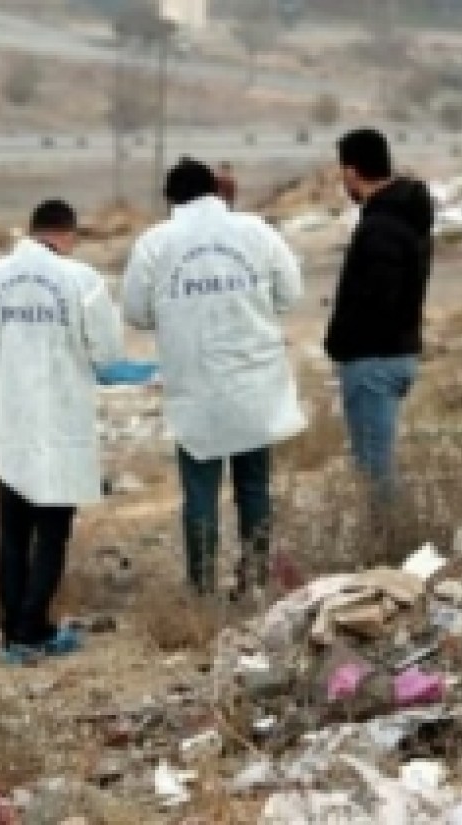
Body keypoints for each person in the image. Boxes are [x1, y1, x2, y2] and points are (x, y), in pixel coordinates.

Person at [123, 159, 305, 598]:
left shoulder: (155, 244)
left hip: (196, 388)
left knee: (200, 493)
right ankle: (255, 580)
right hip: (252, 383)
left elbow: (136, 313)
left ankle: (202, 589)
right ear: (214, 190)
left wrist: (179, 313)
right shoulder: (256, 232)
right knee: (254, 486)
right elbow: (290, 294)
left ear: (171, 199)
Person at [0, 199, 126, 665]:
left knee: (13, 534)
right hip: (59, 424)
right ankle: (34, 630)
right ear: (67, 235)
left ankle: (13, 633)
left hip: (8, 424)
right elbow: (108, 352)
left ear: (32, 229)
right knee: (51, 535)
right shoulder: (80, 280)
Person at [325, 128, 433, 500]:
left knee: (375, 473)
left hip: (373, 360)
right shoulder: (402, 215)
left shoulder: (381, 226)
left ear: (352, 172)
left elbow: (379, 297)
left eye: (343, 173)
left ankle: (390, 535)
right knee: (375, 466)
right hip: (393, 353)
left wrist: (345, 341)